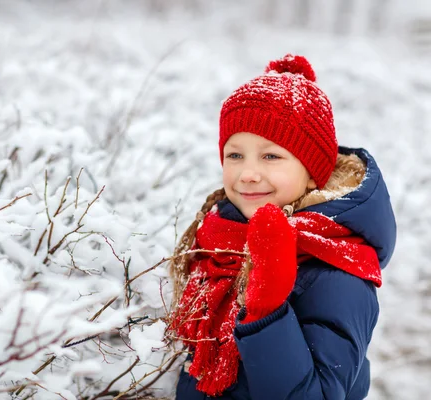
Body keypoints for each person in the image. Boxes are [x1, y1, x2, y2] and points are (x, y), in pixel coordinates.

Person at [168, 54, 396, 399]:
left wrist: (268, 311)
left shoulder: (338, 273)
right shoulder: (216, 243)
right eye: (235, 155)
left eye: (271, 156)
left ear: (311, 173)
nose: (248, 173)